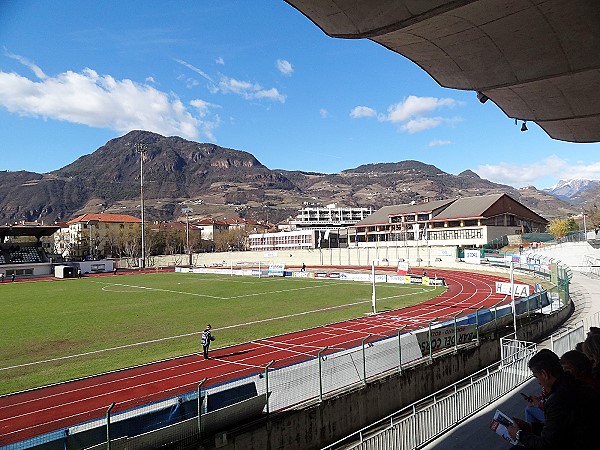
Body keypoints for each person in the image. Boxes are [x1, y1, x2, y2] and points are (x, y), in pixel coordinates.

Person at [507, 349, 599, 449]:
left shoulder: (558, 400)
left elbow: (545, 445)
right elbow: (558, 428)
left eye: (536, 376)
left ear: (544, 374)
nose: (538, 382)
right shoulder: (574, 384)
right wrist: (531, 428)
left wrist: (518, 434)